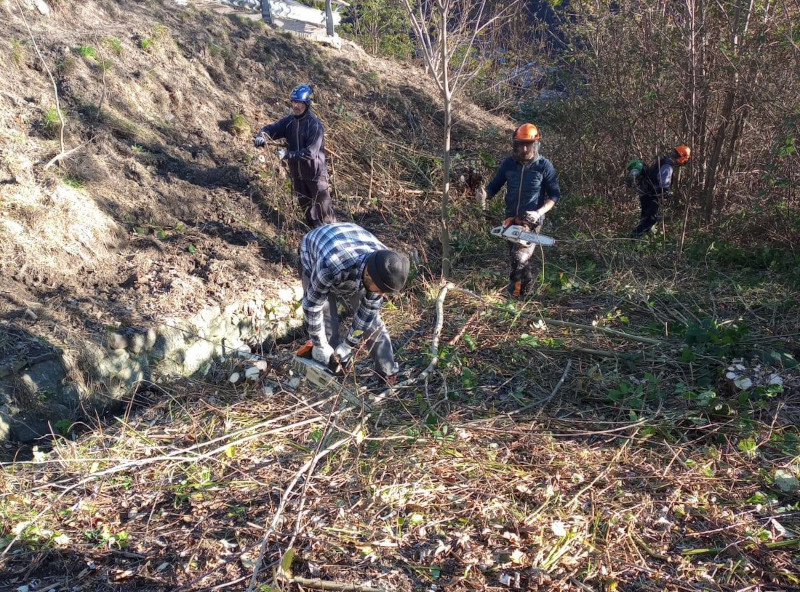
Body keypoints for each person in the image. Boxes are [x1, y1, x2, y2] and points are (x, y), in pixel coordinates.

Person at [300, 222, 410, 387]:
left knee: (373, 324)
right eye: (379, 290)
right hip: (315, 251)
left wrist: (348, 344)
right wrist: (319, 343)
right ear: (368, 275)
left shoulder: (387, 265)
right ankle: (330, 376)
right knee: (328, 321)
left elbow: (366, 316)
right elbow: (312, 306)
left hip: (352, 244)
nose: (380, 296)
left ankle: (387, 374)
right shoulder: (329, 266)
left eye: (384, 292)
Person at [477, 123, 562, 299]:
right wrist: (484, 194)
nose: (524, 148)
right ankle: (527, 285)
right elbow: (494, 186)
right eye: (520, 144)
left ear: (535, 144)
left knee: (520, 257)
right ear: (514, 144)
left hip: (531, 220)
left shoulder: (544, 166)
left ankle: (514, 294)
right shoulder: (509, 164)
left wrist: (539, 212)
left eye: (528, 144)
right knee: (516, 258)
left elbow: (554, 195)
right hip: (510, 218)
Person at [254, 84, 336, 228]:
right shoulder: (289, 122)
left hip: (316, 176)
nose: (296, 106)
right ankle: (314, 239)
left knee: (326, 214)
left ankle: (335, 242)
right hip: (298, 176)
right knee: (309, 215)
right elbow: (272, 129)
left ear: (307, 104)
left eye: (299, 103)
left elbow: (311, 152)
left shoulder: (315, 126)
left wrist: (287, 155)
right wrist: (262, 136)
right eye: (294, 102)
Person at [631, 144, 691, 238]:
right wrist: (667, 193)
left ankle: (645, 239)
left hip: (645, 191)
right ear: (682, 158)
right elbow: (663, 183)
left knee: (645, 217)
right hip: (651, 195)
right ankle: (634, 239)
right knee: (650, 220)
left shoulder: (662, 161)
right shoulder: (668, 166)